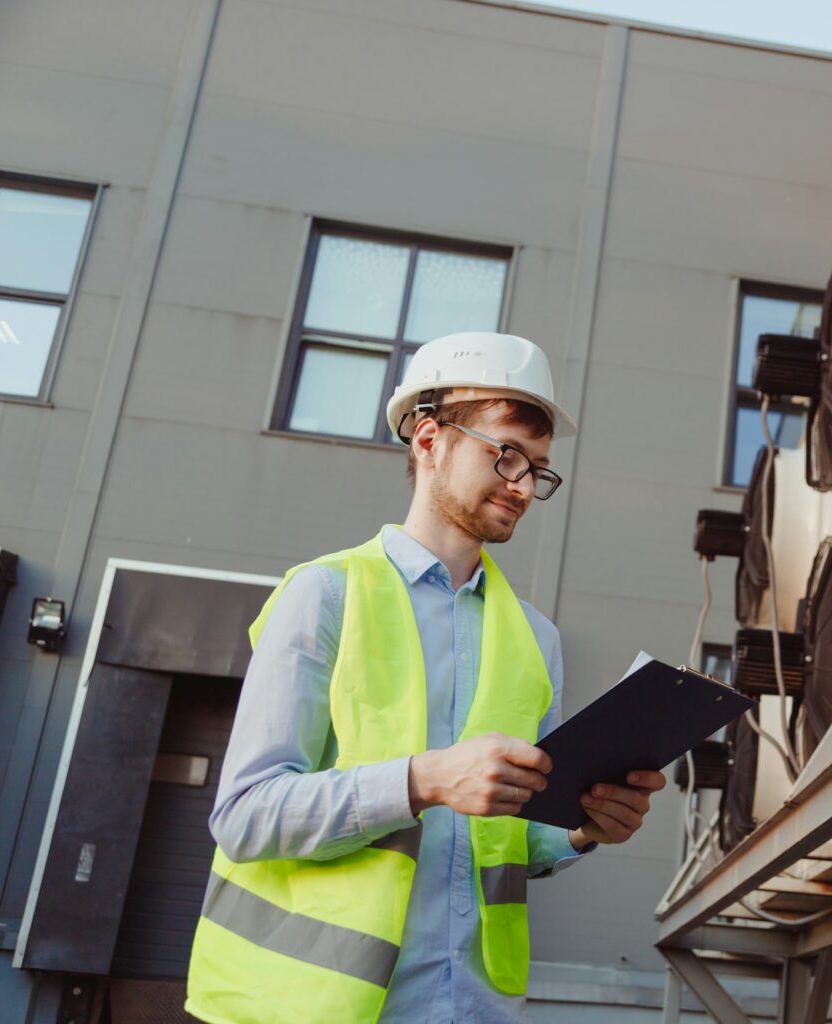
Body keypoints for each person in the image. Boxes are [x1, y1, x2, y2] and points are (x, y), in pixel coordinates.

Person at [185, 332, 665, 1024]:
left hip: (467, 1007)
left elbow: (511, 839)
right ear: (429, 440)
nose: (523, 485)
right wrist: (423, 781)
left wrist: (586, 828)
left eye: (538, 469)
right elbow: (246, 816)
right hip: (304, 1008)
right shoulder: (324, 594)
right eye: (505, 454)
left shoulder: (536, 638)